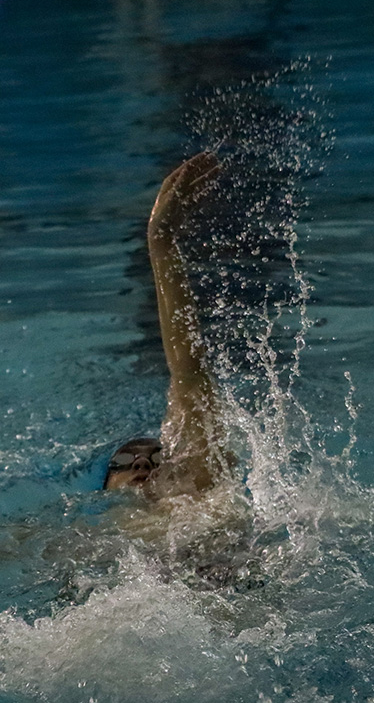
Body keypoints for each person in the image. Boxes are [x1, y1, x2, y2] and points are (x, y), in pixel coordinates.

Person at [103, 152, 235, 498]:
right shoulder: (81, 535)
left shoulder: (194, 501)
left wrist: (161, 242)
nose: (142, 465)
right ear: (104, 488)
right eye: (126, 459)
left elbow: (188, 376)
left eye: (157, 457)